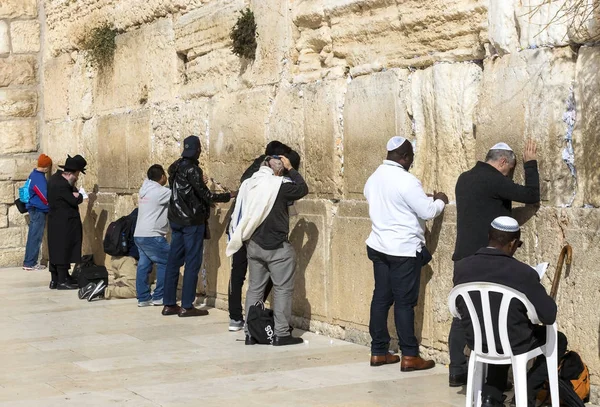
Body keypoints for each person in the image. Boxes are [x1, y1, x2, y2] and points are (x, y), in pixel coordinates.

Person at [449, 140, 541, 387]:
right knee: (492, 316)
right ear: (503, 162)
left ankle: (457, 370)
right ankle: (495, 382)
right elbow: (531, 195)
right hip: (484, 260)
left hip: (463, 260)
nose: (509, 177)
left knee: (463, 314)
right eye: (510, 171)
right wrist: (530, 164)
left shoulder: (464, 178)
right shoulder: (492, 179)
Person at [453, 217, 565, 407]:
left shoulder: (462, 267)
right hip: (513, 342)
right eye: (518, 244)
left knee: (502, 330)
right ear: (513, 243)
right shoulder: (523, 273)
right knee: (557, 339)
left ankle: (490, 396)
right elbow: (548, 315)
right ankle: (525, 396)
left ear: (489, 237)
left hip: (478, 342)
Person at [364, 136, 448, 370]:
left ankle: (378, 352)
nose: (411, 161)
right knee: (404, 303)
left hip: (379, 247)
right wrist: (440, 200)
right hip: (403, 250)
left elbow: (391, 202)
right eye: (410, 157)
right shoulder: (407, 180)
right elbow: (428, 211)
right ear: (404, 157)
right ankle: (410, 355)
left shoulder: (374, 178)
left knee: (380, 299)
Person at [227, 155, 308, 346]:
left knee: (254, 289)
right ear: (278, 170)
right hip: (277, 247)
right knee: (282, 290)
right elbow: (303, 188)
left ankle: (249, 332)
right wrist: (291, 169)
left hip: (254, 245)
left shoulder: (250, 183)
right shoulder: (279, 185)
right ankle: (281, 333)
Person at [161, 135, 234, 317]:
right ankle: (187, 305)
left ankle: (169, 304)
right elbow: (206, 196)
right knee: (192, 262)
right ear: (198, 150)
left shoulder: (175, 167)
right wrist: (228, 195)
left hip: (176, 219)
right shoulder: (193, 170)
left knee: (173, 262)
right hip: (191, 222)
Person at [47, 154, 87, 290]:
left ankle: (55, 279)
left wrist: (74, 192)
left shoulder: (53, 179)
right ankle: (62, 281)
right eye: (77, 175)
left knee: (55, 249)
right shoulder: (62, 185)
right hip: (64, 223)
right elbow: (74, 200)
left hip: (54, 221)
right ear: (73, 173)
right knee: (63, 249)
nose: (77, 178)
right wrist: (80, 196)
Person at [83, 209, 141, 302]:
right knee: (136, 290)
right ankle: (104, 291)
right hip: (127, 260)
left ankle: (96, 287)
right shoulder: (141, 220)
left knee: (126, 283)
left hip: (116, 258)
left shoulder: (129, 217)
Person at [134, 164, 171, 307]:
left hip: (139, 234)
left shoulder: (144, 190)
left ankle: (143, 298)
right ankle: (159, 296)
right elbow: (178, 193)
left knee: (143, 264)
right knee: (167, 261)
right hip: (152, 234)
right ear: (162, 177)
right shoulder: (160, 192)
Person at [23, 154, 53, 271]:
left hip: (34, 209)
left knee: (33, 236)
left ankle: (29, 262)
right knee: (35, 237)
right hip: (38, 210)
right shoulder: (39, 178)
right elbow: (44, 196)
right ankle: (30, 263)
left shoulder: (33, 174)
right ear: (46, 167)